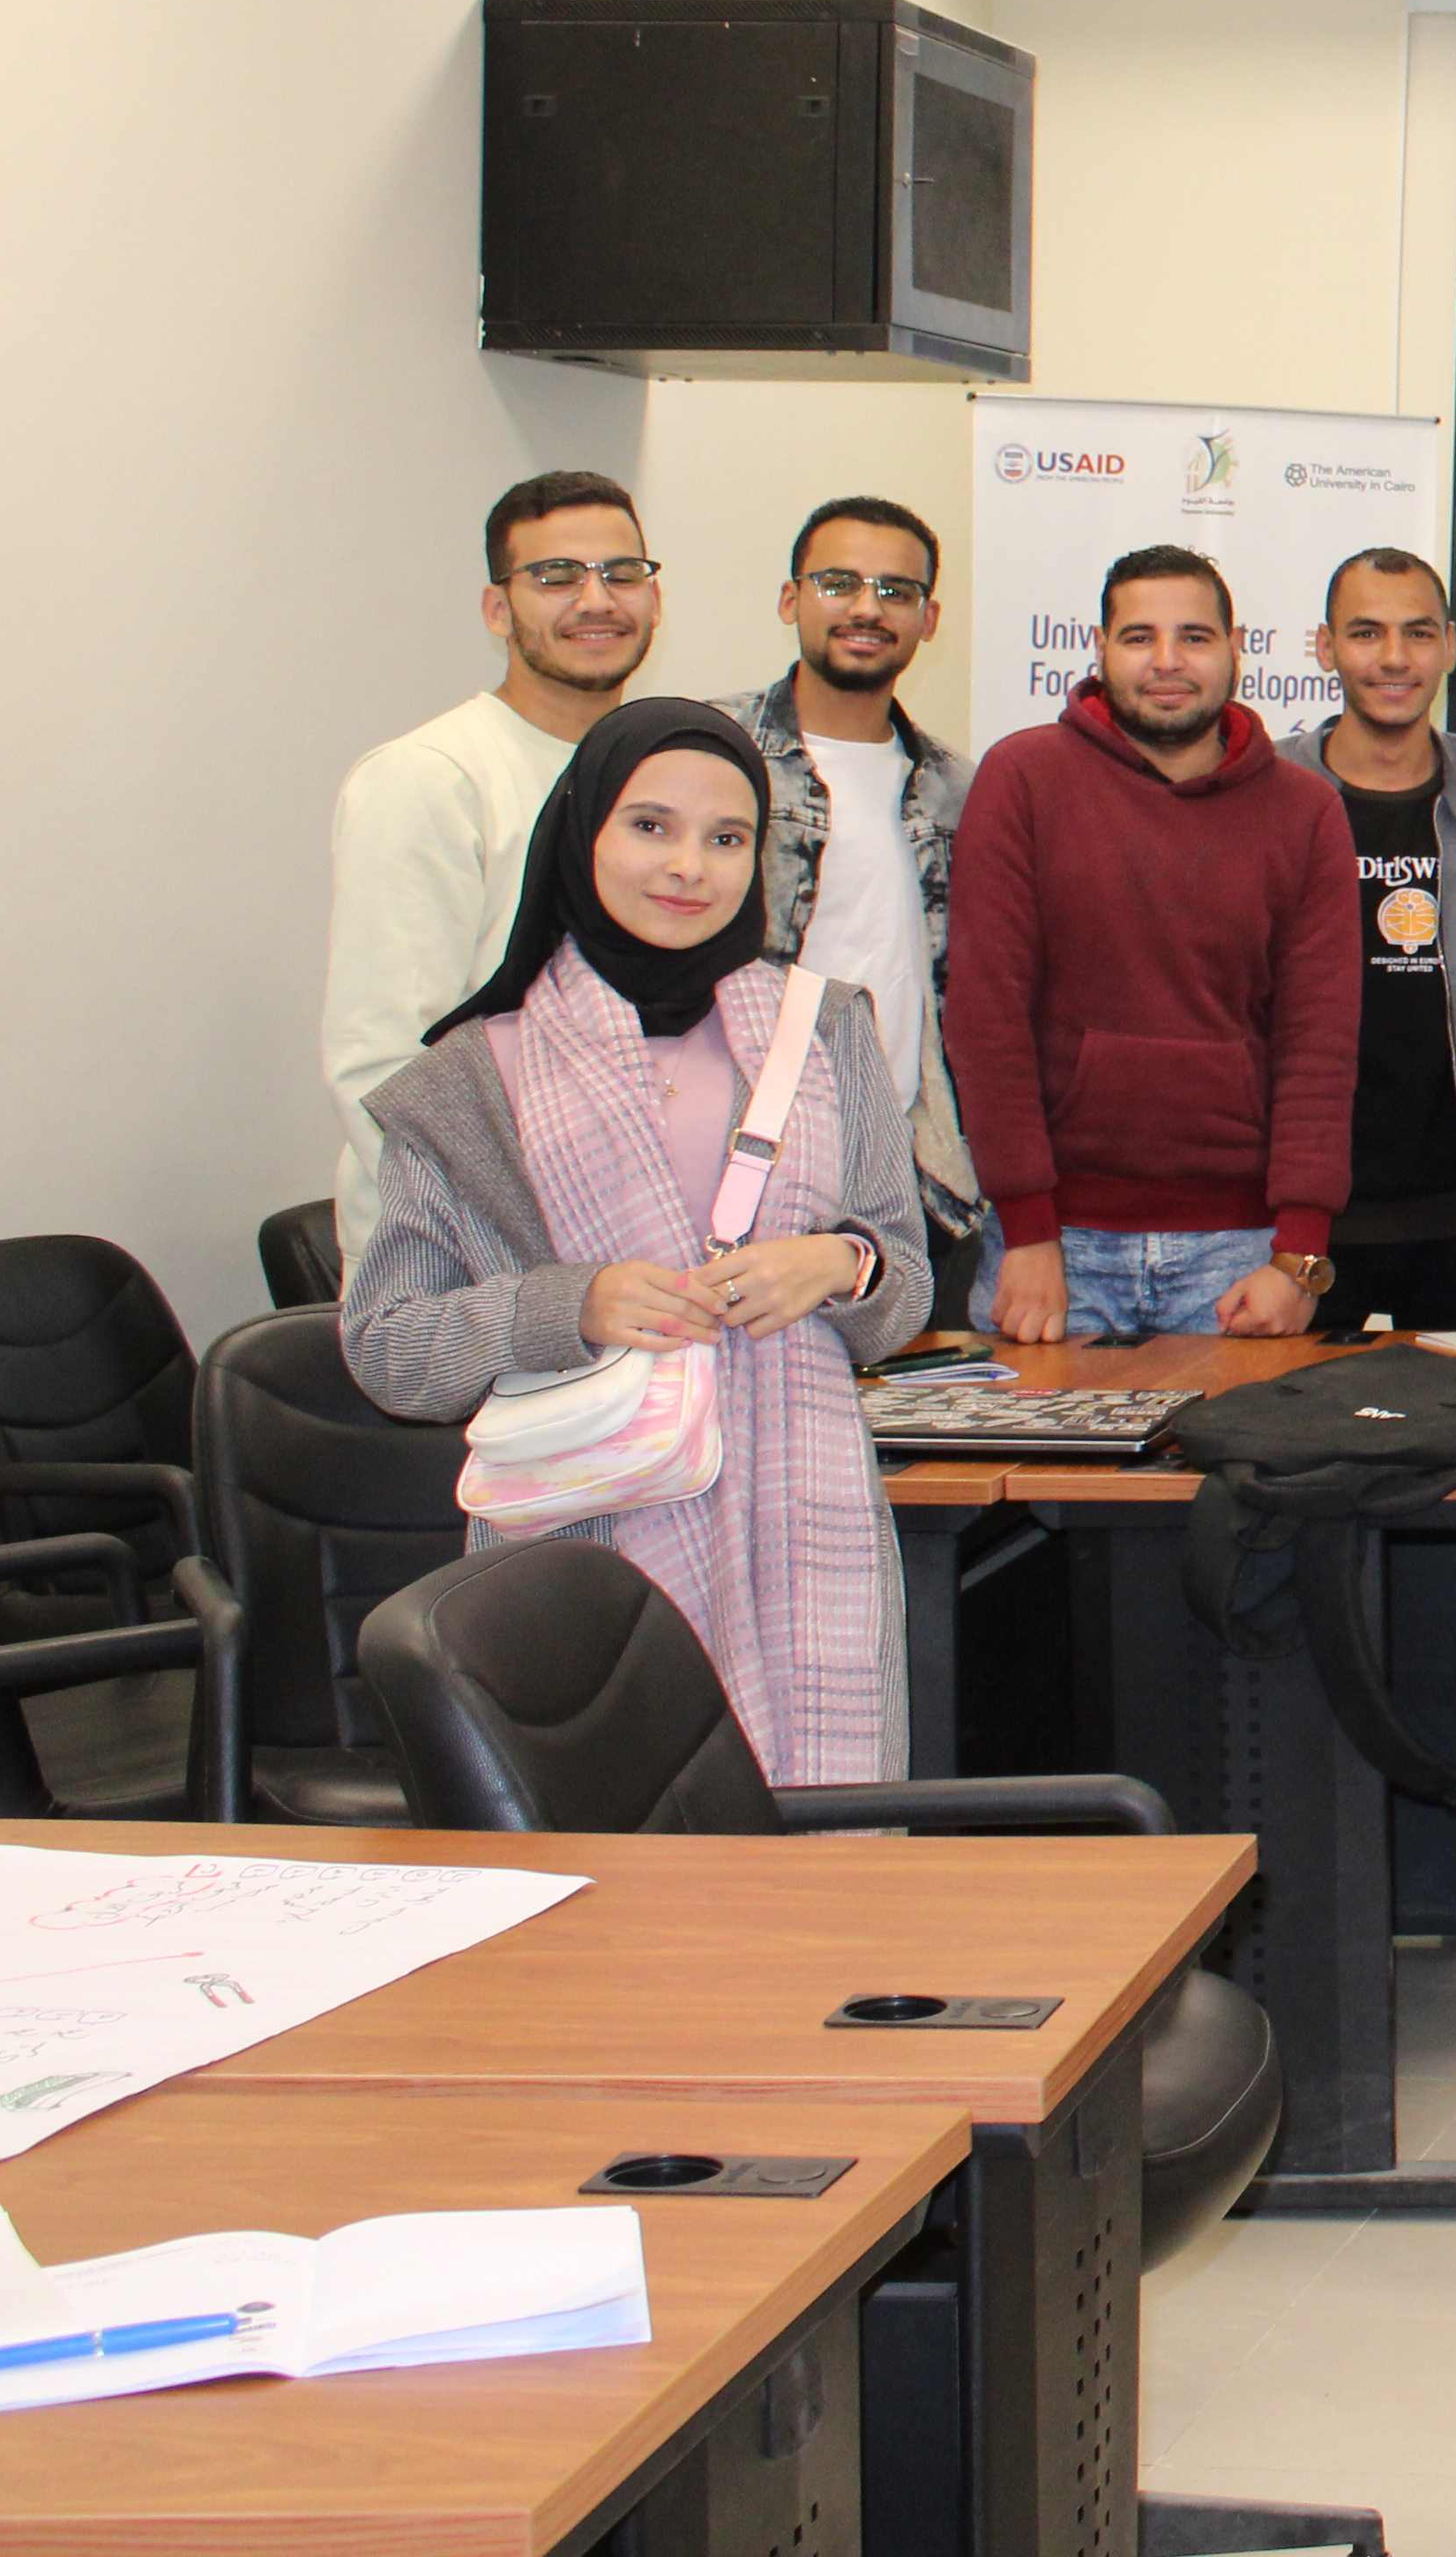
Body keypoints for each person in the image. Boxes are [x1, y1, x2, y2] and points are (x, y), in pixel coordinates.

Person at [344, 699, 929, 1782]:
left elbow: (903, 1287)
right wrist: (570, 1305)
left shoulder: (824, 1026)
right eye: (650, 826)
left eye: (727, 836)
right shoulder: (469, 1078)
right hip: (582, 1556)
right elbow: (389, 1347)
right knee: (614, 1851)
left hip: (809, 1536)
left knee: (821, 1855)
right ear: (582, 831)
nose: (689, 867)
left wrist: (840, 1264)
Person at [943, 547, 1358, 1345]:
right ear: (1100, 649)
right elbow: (987, 1020)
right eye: (1139, 637)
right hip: (1052, 1251)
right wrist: (1028, 1227)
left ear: (1237, 647)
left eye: (1194, 637)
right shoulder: (1023, 777)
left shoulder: (1305, 811)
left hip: (1241, 1257)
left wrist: (1300, 1254)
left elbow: (1320, 1044)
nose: (1167, 661)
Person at [327, 471, 659, 1252]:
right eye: (556, 576)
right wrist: (523, 1237)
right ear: (498, 609)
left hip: (627, 1240)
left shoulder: (666, 774)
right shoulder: (431, 778)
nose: (597, 600)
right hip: (460, 1254)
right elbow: (387, 1068)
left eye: (622, 573)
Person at [737, 497, 980, 1281]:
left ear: (928, 619)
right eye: (838, 582)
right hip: (736, 1167)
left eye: (895, 591)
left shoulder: (958, 790)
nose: (867, 609)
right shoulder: (712, 754)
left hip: (906, 1185)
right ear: (790, 599)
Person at [1282, 549, 1456, 1334]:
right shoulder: (1265, 795)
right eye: (1366, 633)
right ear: (1325, 648)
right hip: (1300, 1218)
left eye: (1418, 633)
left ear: (1450, 645)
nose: (1394, 658)